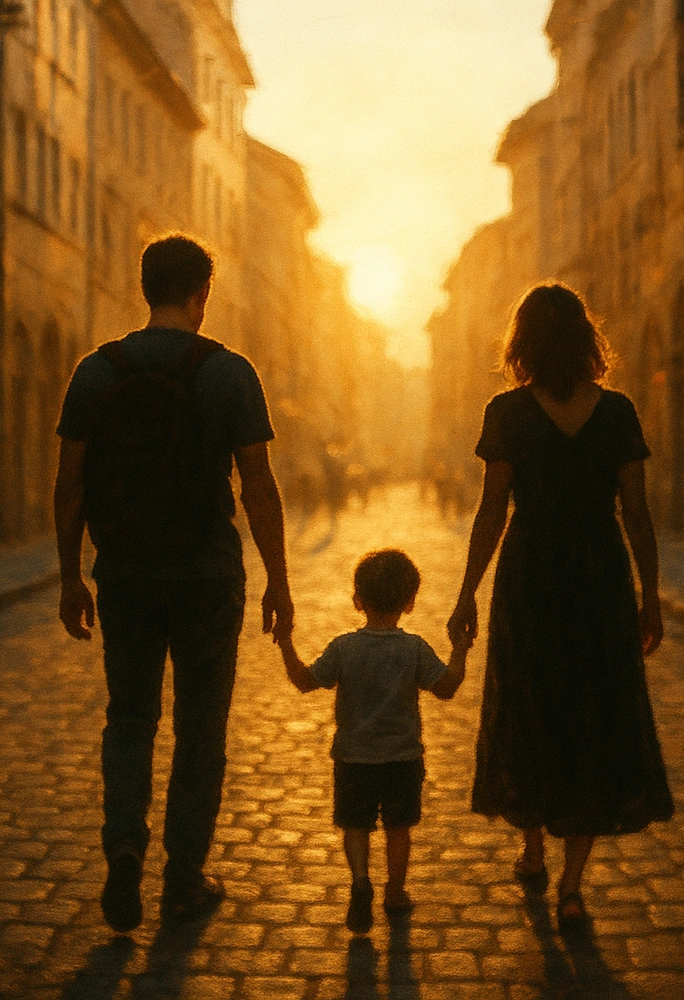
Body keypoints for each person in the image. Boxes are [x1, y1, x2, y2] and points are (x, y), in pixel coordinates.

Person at [55, 234, 294, 932]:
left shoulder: (96, 373)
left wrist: (71, 576)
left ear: (144, 288)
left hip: (125, 574)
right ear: (202, 295)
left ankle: (125, 845)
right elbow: (258, 485)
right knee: (200, 729)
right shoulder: (230, 373)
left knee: (130, 717)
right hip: (207, 578)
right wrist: (279, 581)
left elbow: (70, 486)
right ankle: (184, 876)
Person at [447, 283, 674, 929]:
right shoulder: (619, 412)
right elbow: (636, 513)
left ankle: (531, 849)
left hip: (532, 578)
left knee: (531, 708)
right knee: (594, 719)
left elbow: (494, 511)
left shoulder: (509, 413)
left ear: (522, 345)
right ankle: (572, 887)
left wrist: (467, 593)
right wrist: (649, 598)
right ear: (586, 340)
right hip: (600, 578)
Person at [277, 549, 468, 935]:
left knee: (355, 825)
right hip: (402, 758)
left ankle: (360, 879)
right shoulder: (414, 648)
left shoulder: (344, 647)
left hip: (352, 758)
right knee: (400, 829)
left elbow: (304, 681)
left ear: (357, 600)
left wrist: (285, 643)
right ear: (410, 602)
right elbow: (446, 688)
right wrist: (460, 649)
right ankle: (395, 892)